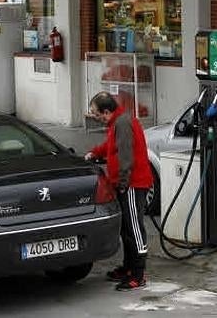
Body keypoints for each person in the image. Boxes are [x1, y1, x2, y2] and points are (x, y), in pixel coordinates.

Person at [85, 92, 153, 291]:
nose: (95, 117)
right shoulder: (117, 123)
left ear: (106, 112)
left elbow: (126, 156)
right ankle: (129, 267)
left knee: (134, 228)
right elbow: (110, 146)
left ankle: (138, 274)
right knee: (126, 228)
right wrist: (95, 152)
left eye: (96, 113)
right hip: (126, 184)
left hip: (132, 184)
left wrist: (123, 183)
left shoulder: (122, 124)